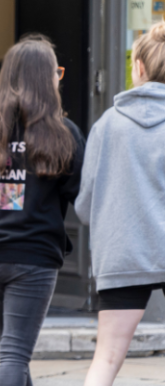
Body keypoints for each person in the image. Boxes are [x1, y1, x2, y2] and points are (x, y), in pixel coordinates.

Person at [0, 36, 85, 386]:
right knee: (14, 354)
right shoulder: (62, 133)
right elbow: (80, 193)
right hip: (33, 258)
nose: (60, 78)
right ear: (45, 78)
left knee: (14, 351)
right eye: (57, 72)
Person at [77, 22, 165, 386]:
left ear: (139, 67)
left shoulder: (107, 125)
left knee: (108, 357)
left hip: (122, 253)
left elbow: (84, 205)